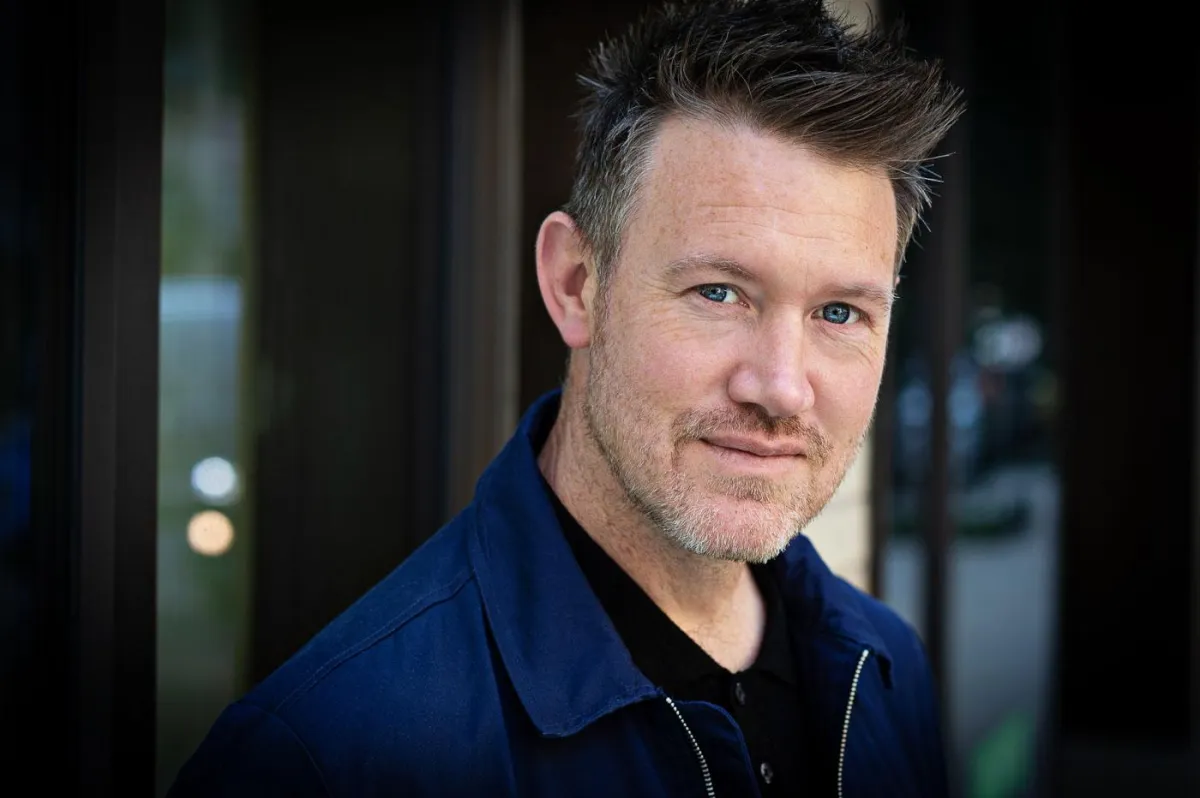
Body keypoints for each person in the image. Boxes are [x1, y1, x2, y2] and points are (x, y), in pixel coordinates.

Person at [168, 0, 963, 795]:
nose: (782, 388)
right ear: (576, 284)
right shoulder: (327, 755)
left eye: (838, 313)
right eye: (720, 293)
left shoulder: (884, 666)